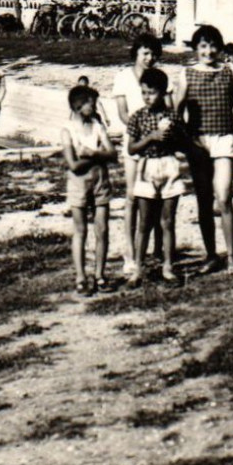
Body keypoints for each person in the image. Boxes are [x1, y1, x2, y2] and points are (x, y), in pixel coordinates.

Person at [173, 24, 233, 273]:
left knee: (224, 197)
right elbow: (177, 111)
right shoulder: (186, 74)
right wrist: (185, 140)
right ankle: (211, 255)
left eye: (213, 46)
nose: (209, 51)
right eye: (203, 46)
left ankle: (232, 256)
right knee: (204, 200)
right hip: (199, 143)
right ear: (196, 49)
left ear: (219, 48)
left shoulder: (229, 72)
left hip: (224, 138)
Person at [123, 68, 185, 288]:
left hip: (168, 165)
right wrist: (151, 137)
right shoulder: (138, 116)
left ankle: (168, 266)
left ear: (162, 92)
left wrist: (172, 137)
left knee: (167, 221)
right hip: (147, 168)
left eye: (151, 93)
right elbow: (131, 148)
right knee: (144, 223)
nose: (147, 97)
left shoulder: (172, 116)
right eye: (144, 93)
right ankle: (138, 268)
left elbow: (182, 144)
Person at [112, 36, 164, 281]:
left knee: (156, 197)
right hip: (134, 143)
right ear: (136, 53)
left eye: (153, 53)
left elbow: (168, 107)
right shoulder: (123, 77)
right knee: (132, 196)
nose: (149, 58)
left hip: (158, 147)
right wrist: (142, 132)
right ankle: (129, 253)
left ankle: (155, 250)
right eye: (145, 52)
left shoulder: (159, 78)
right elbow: (123, 113)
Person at [61, 83, 116, 295]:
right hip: (78, 184)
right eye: (91, 104)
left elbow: (112, 154)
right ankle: (81, 277)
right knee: (80, 231)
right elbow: (72, 165)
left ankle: (100, 275)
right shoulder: (68, 130)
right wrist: (98, 154)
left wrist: (90, 154)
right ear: (78, 105)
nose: (94, 108)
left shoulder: (96, 126)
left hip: (100, 181)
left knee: (102, 230)